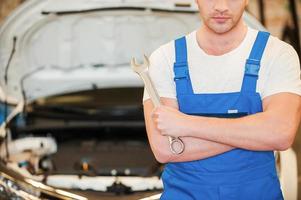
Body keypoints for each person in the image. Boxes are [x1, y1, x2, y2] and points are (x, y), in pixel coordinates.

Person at [142, 0, 301, 199]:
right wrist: (254, 131)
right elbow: (165, 149)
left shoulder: (278, 54)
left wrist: (185, 124)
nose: (221, 6)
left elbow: (280, 133)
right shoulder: (165, 58)